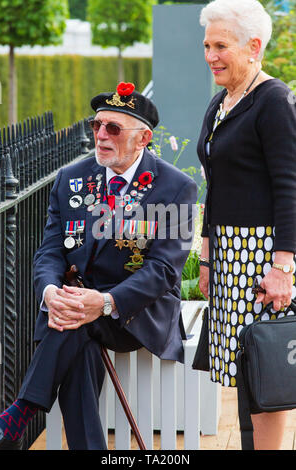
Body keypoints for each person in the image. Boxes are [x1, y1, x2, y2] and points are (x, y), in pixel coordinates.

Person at [0, 82, 197, 450]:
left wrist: (103, 302)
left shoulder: (175, 188)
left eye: (114, 129)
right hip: (76, 309)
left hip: (135, 312)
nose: (101, 136)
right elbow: (50, 252)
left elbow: (163, 271)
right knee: (78, 331)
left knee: (75, 322)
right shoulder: (70, 178)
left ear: (144, 138)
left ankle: (20, 412)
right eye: (97, 126)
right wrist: (50, 290)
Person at [197, 0, 296, 451]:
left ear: (254, 46)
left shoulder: (274, 100)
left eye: (221, 45)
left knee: (266, 376)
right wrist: (206, 255)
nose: (210, 55)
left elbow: (289, 187)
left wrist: (283, 268)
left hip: (261, 258)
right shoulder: (222, 101)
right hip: (228, 255)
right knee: (242, 372)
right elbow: (215, 186)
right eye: (207, 45)